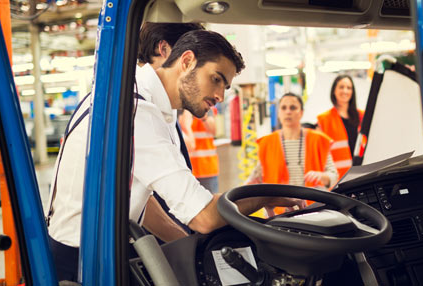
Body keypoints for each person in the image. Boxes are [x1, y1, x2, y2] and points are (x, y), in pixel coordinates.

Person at [47, 28, 302, 282]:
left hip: (102, 250)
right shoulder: (136, 110)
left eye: (225, 86)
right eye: (216, 79)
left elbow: (137, 195)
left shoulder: (143, 100)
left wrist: (187, 244)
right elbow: (203, 216)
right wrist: (267, 195)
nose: (220, 96)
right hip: (83, 263)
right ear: (187, 61)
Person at [246, 93, 338, 216]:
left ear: (301, 112)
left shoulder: (318, 140)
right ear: (278, 113)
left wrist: (321, 176)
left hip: (314, 211)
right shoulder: (267, 143)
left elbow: (333, 176)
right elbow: (254, 179)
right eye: (284, 108)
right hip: (278, 215)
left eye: (293, 107)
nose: (288, 112)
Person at [317, 75, 364, 180]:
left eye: (349, 88)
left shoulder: (363, 116)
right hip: (338, 178)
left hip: (362, 174)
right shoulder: (324, 120)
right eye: (341, 87)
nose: (345, 91)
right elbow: (319, 153)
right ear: (334, 91)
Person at [179, 108, 220, 193]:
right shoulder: (179, 110)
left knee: (211, 202)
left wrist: (203, 117)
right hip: (187, 170)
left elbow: (214, 131)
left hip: (207, 169)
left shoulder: (207, 108)